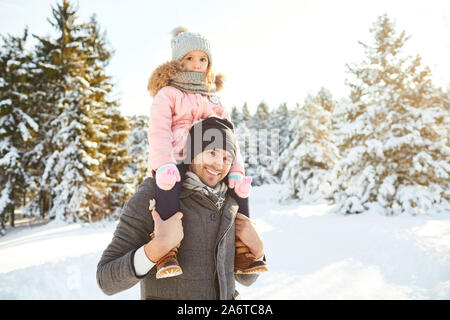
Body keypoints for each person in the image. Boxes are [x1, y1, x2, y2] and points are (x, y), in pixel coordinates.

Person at [96, 117, 267, 300]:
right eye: (212, 152)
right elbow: (106, 280)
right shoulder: (156, 194)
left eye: (227, 158)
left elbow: (245, 278)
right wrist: (158, 247)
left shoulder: (231, 202)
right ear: (193, 151)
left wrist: (258, 249)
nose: (219, 165)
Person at [146, 26, 260, 278]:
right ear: (178, 62)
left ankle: (243, 250)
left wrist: (236, 170)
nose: (197, 64)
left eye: (202, 59)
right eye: (189, 58)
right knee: (169, 187)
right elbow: (159, 130)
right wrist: (164, 163)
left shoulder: (214, 99)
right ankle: (166, 250)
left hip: (209, 161)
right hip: (175, 159)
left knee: (239, 189)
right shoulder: (169, 94)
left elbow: (231, 139)